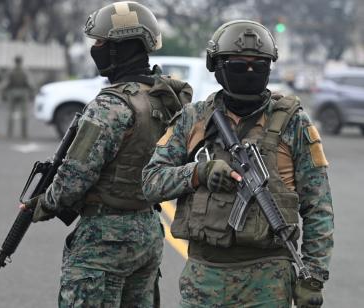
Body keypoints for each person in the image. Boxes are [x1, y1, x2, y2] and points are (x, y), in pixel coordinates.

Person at [142, 20, 333, 307]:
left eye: (259, 64)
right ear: (217, 66)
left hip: (269, 281)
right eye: (238, 64)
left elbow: (318, 207)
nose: (249, 71)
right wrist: (198, 172)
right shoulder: (193, 118)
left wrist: (313, 277)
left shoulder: (294, 122)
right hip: (203, 279)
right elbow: (151, 182)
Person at [21, 2, 192, 306]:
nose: (95, 49)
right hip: (148, 230)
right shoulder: (163, 98)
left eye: (101, 42)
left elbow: (74, 179)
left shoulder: (110, 106)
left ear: (120, 49)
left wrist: (39, 206)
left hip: (104, 239)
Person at [4, 55, 32, 139]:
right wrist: (32, 91)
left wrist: (5, 92)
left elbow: (7, 83)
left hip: (12, 91)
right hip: (23, 92)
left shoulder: (11, 71)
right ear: (21, 61)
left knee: (10, 113)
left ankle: (9, 132)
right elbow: (28, 83)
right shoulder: (24, 71)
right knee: (24, 113)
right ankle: (24, 133)